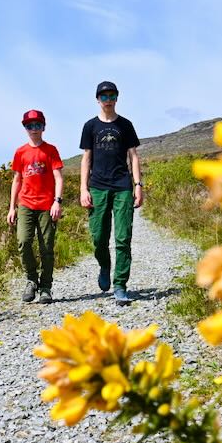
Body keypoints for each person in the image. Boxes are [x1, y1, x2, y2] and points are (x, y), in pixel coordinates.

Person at [79, 80, 142, 305]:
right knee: (98, 238)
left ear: (117, 98)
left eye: (111, 96)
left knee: (123, 238)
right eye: (103, 96)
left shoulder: (125, 125)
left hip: (122, 186)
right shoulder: (90, 126)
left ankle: (120, 285)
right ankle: (104, 265)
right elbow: (86, 158)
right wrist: (83, 188)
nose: (108, 100)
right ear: (98, 99)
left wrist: (138, 185)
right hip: (97, 187)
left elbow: (133, 156)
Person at [8, 109, 63, 303]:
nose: (34, 129)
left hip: (47, 205)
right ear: (25, 128)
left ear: (43, 127)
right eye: (30, 125)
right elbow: (17, 180)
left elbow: (58, 177)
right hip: (26, 204)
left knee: (46, 246)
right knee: (23, 241)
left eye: (37, 125)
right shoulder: (20, 152)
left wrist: (57, 201)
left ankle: (46, 287)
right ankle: (32, 280)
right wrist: (12, 207)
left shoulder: (51, 150)